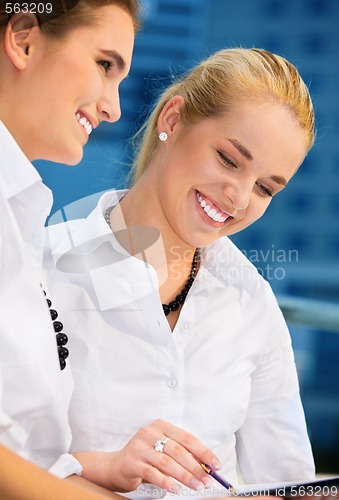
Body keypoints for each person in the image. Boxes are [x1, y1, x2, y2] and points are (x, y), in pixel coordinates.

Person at [44, 47, 317, 500]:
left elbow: (290, 484)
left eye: (266, 188)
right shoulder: (45, 266)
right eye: (229, 159)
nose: (238, 197)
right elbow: (12, 461)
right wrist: (98, 468)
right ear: (172, 119)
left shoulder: (251, 302)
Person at [0, 1, 143, 498]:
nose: (113, 108)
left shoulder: (20, 212)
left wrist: (90, 467)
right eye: (105, 66)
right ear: (23, 38)